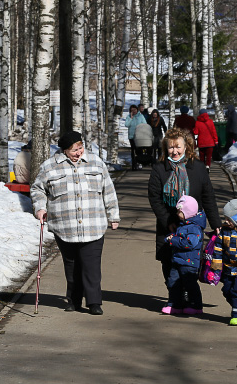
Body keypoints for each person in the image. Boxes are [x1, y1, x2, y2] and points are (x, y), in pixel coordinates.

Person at [31, 131, 120, 316]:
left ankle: (94, 302)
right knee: (71, 265)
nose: (79, 153)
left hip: (93, 224)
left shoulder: (96, 163)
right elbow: (38, 189)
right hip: (64, 226)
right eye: (73, 150)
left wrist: (113, 216)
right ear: (64, 151)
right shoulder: (49, 166)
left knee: (91, 265)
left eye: (80, 148)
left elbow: (108, 190)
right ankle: (73, 300)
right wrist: (40, 207)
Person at [148, 127, 221, 287]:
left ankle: (187, 296)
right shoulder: (159, 168)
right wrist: (167, 220)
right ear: (166, 148)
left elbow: (208, 196)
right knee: (168, 262)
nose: (175, 151)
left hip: (193, 226)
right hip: (169, 223)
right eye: (171, 147)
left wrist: (216, 223)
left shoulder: (198, 168)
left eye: (178, 147)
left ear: (186, 146)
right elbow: (154, 198)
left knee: (191, 262)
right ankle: (174, 294)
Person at [162, 195, 205, 315]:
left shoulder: (194, 228)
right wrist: (170, 238)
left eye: (179, 211)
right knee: (173, 282)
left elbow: (190, 243)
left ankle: (196, 305)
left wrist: (173, 240)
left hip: (189, 262)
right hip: (178, 260)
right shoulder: (183, 224)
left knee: (190, 284)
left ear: (187, 212)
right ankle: (175, 304)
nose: (177, 213)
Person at [125, 104, 147, 170]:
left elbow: (145, 124)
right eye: (132, 110)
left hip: (139, 136)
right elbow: (126, 124)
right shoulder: (129, 117)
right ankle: (133, 164)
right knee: (133, 150)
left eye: (134, 110)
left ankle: (139, 162)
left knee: (139, 150)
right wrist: (131, 118)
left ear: (137, 110)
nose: (133, 111)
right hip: (131, 136)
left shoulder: (141, 116)